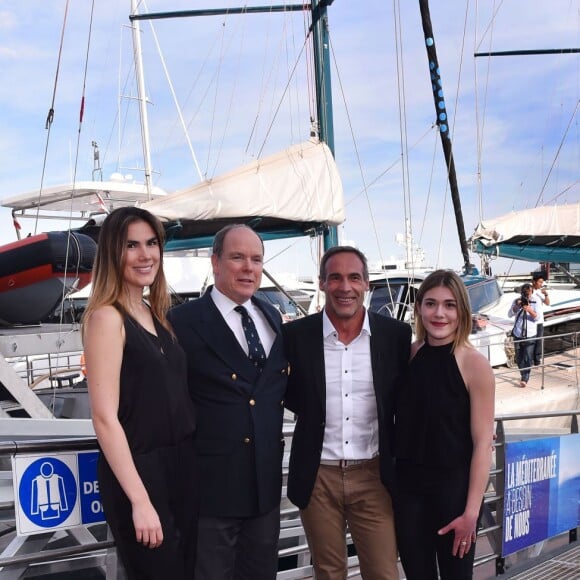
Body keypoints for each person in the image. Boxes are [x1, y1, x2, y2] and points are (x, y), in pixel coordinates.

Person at [82, 207, 198, 580]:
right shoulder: (106, 318)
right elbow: (104, 417)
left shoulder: (154, 312)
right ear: (113, 253)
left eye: (151, 243)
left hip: (181, 468)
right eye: (132, 245)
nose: (145, 254)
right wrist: (140, 500)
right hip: (142, 474)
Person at [284, 246, 411, 580]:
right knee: (328, 573)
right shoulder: (296, 336)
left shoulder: (395, 335)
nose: (345, 287)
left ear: (367, 284)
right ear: (322, 283)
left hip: (373, 475)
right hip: (318, 476)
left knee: (384, 573)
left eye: (354, 277)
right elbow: (289, 396)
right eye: (335, 277)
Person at [168, 224, 287, 580]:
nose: (249, 268)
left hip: (263, 491)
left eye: (256, 259)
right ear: (215, 262)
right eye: (238, 257)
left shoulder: (272, 317)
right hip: (210, 493)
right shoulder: (182, 322)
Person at [394, 269, 495, 580]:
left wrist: (471, 513)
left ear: (461, 311)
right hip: (409, 493)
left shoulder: (474, 363)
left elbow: (483, 443)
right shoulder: (411, 354)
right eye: (431, 303)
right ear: (419, 308)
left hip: (453, 494)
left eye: (450, 305)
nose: (439, 313)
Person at [509, 282, 539, 388]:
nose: (528, 295)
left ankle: (525, 378)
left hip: (530, 334)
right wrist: (517, 306)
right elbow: (510, 314)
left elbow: (537, 318)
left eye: (529, 293)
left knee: (528, 356)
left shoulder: (536, 300)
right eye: (526, 293)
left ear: (532, 292)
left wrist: (530, 310)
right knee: (518, 357)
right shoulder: (517, 301)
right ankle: (523, 374)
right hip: (518, 333)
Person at [531, 273, 550, 366]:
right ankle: (530, 359)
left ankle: (537, 360)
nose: (541, 284)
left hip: (539, 321)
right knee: (530, 341)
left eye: (542, 282)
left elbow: (547, 303)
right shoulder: (529, 291)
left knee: (539, 341)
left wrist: (546, 295)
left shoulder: (540, 292)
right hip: (530, 321)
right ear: (534, 282)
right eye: (540, 282)